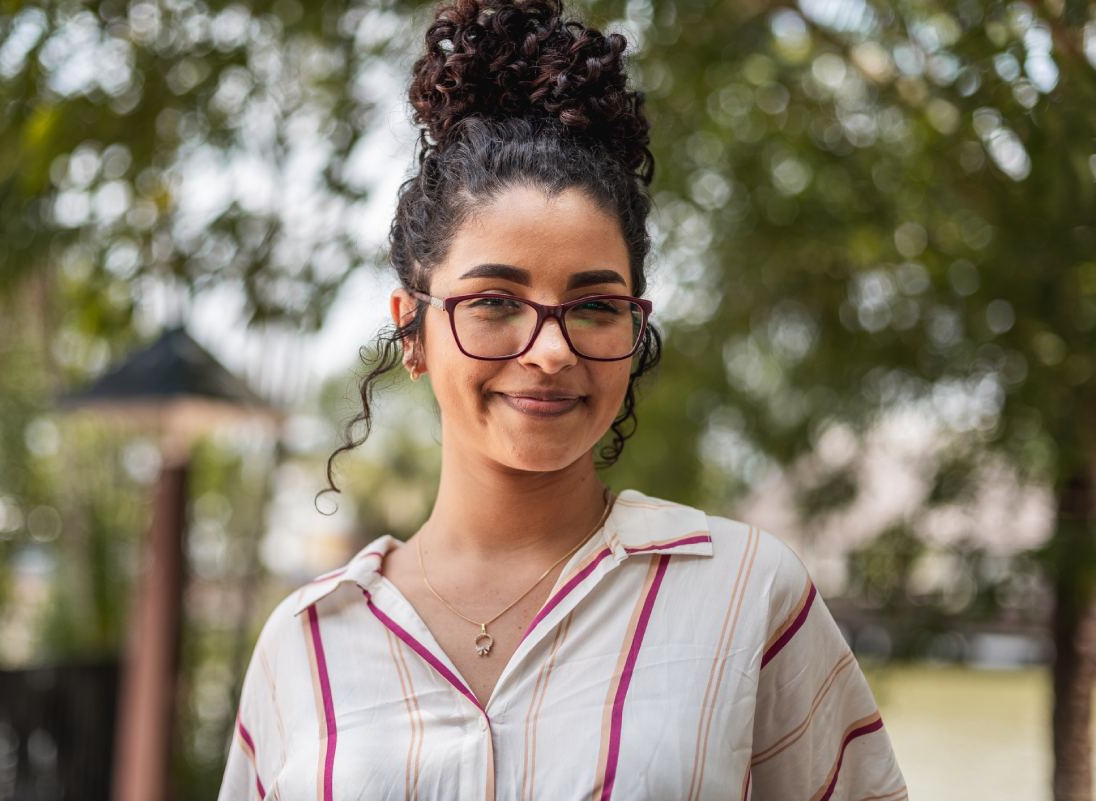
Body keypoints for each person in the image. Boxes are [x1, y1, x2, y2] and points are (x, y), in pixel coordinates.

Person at [219, 1, 905, 798]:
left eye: (594, 307)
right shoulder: (304, 646)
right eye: (495, 303)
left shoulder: (748, 596)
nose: (550, 351)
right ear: (412, 330)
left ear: (636, 327)